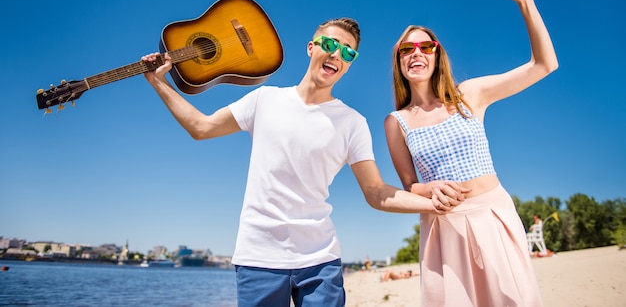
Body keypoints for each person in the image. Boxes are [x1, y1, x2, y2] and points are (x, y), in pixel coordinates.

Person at [142, 17, 467, 307]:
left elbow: (376, 191)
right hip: (258, 259)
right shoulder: (264, 99)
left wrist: (430, 203)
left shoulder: (352, 122)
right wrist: (158, 82)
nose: (337, 54)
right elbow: (201, 127)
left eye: (348, 52)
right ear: (312, 48)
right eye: (330, 44)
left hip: (320, 262)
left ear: (350, 63)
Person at [384, 0, 558, 306]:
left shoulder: (469, 95)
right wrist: (429, 188)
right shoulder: (396, 122)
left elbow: (544, 64)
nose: (416, 54)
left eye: (425, 47)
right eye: (407, 50)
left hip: (493, 215)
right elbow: (410, 187)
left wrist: (526, 1)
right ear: (399, 62)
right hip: (442, 227)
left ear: (438, 55)